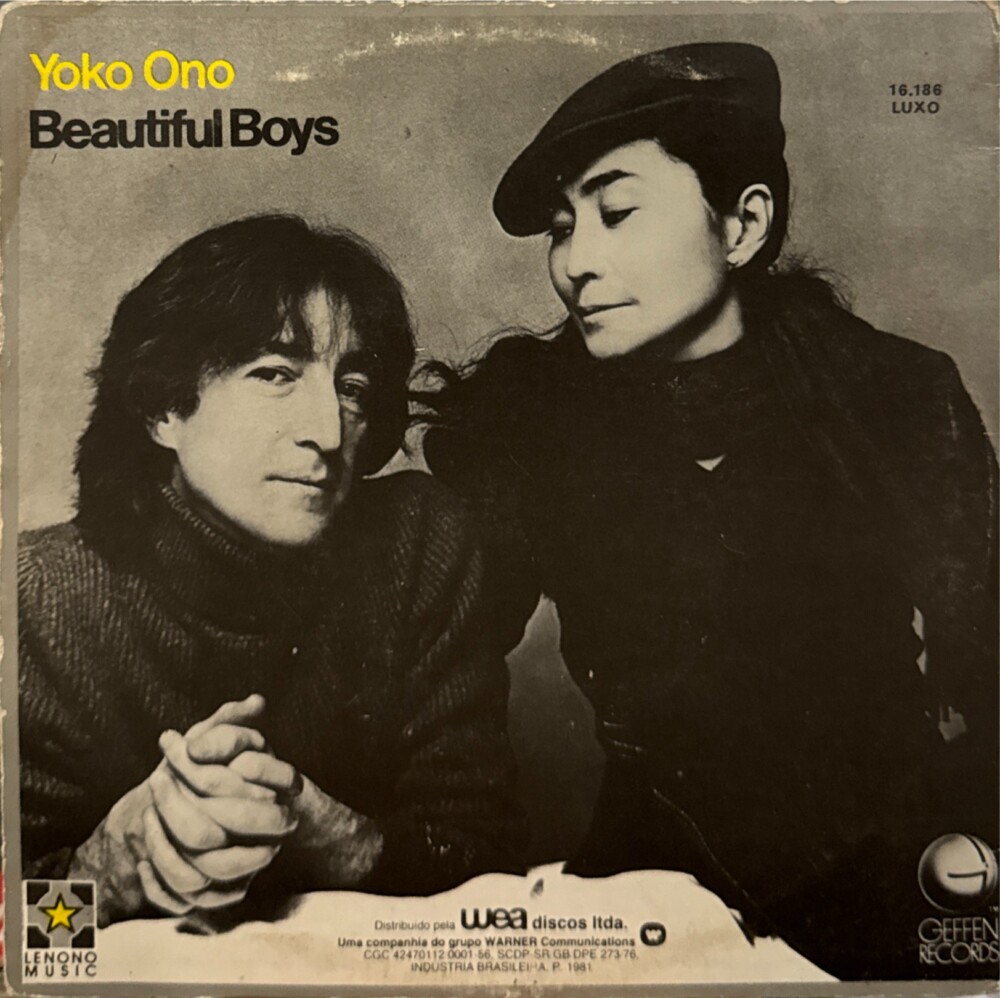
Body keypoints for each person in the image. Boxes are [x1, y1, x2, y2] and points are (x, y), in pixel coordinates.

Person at [421, 43, 998, 979]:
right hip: (653, 892)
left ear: (743, 225)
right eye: (563, 228)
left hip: (891, 882)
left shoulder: (893, 397)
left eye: (617, 213)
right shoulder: (530, 427)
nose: (576, 264)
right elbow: (435, 661)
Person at [19, 214, 525, 929]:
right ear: (164, 408)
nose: (328, 431)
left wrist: (329, 834)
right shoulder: (36, 600)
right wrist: (106, 866)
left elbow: (489, 866)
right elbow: (19, 951)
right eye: (275, 375)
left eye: (352, 387)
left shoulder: (420, 545)